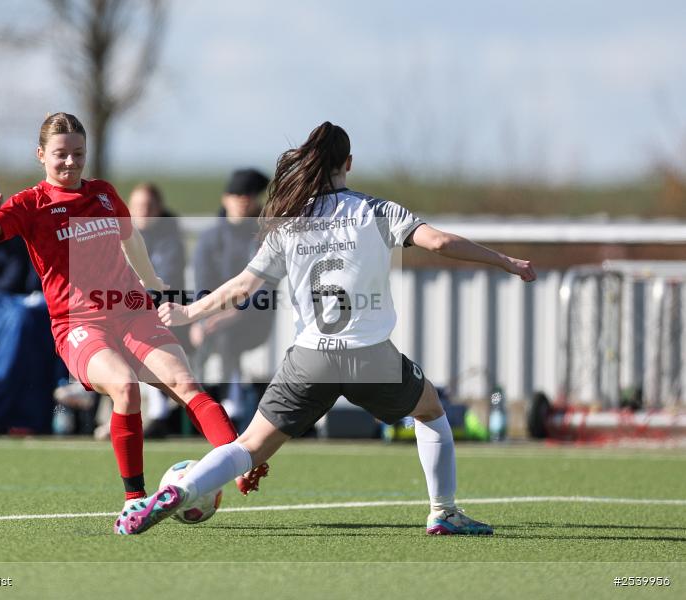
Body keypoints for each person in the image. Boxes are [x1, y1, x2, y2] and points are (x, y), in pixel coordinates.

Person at [117, 121, 537, 535]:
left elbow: (244, 286)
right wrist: (504, 261)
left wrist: (191, 314)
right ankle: (443, 512)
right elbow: (441, 243)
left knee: (247, 447)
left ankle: (182, 489)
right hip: (371, 358)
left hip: (309, 360)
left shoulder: (289, 223)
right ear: (348, 163)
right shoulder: (375, 210)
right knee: (430, 412)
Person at [0, 113, 268, 530]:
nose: (71, 163)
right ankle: (134, 501)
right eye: (60, 155)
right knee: (125, 388)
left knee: (187, 386)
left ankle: (237, 462)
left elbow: (132, 238)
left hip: (132, 310)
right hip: (78, 324)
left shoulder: (105, 194)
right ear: (41, 156)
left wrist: (153, 283)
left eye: (78, 154)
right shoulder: (31, 204)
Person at [191, 168, 275, 427]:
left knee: (228, 337)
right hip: (213, 315)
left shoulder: (264, 237)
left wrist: (235, 313)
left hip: (254, 319)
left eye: (248, 195)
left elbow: (266, 288)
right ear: (225, 198)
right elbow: (203, 284)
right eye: (237, 195)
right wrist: (200, 319)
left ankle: (232, 405)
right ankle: (189, 404)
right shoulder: (209, 239)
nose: (242, 201)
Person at [127, 183, 187, 437]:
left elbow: (164, 281)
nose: (144, 211)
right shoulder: (121, 238)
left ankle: (158, 413)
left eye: (149, 206)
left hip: (166, 313)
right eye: (139, 206)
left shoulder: (169, 240)